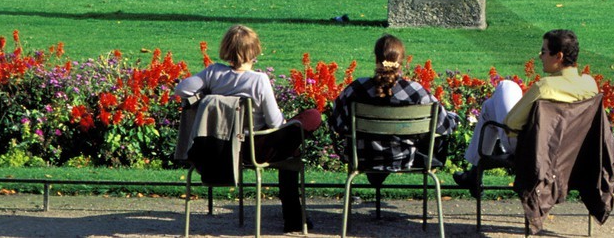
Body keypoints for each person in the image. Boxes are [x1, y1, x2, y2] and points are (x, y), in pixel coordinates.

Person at [176, 25, 308, 232]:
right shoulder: (259, 80)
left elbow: (182, 88)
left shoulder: (213, 73)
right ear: (255, 50)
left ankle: (295, 217)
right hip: (254, 149)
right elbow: (275, 123)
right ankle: (294, 217)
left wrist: (210, 97)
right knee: (306, 123)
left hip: (223, 146)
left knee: (292, 141)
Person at [455, 29, 598, 194]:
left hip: (534, 150)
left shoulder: (545, 87)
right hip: (575, 149)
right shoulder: (590, 84)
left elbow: (511, 124)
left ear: (558, 56)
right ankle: (473, 173)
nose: (540, 56)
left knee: (506, 87)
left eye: (544, 52)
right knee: (490, 106)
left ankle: (475, 172)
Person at [328, 35, 457, 180]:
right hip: (405, 158)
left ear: (377, 59)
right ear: (400, 61)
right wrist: (454, 118)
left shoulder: (356, 89)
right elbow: (444, 126)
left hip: (362, 158)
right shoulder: (416, 92)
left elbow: (337, 123)